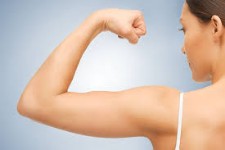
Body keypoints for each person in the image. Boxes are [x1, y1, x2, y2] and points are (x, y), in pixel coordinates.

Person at [17, 0, 225, 149]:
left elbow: (37, 102)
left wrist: (99, 20)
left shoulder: (169, 112)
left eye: (184, 29)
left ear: (215, 27)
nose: (183, 48)